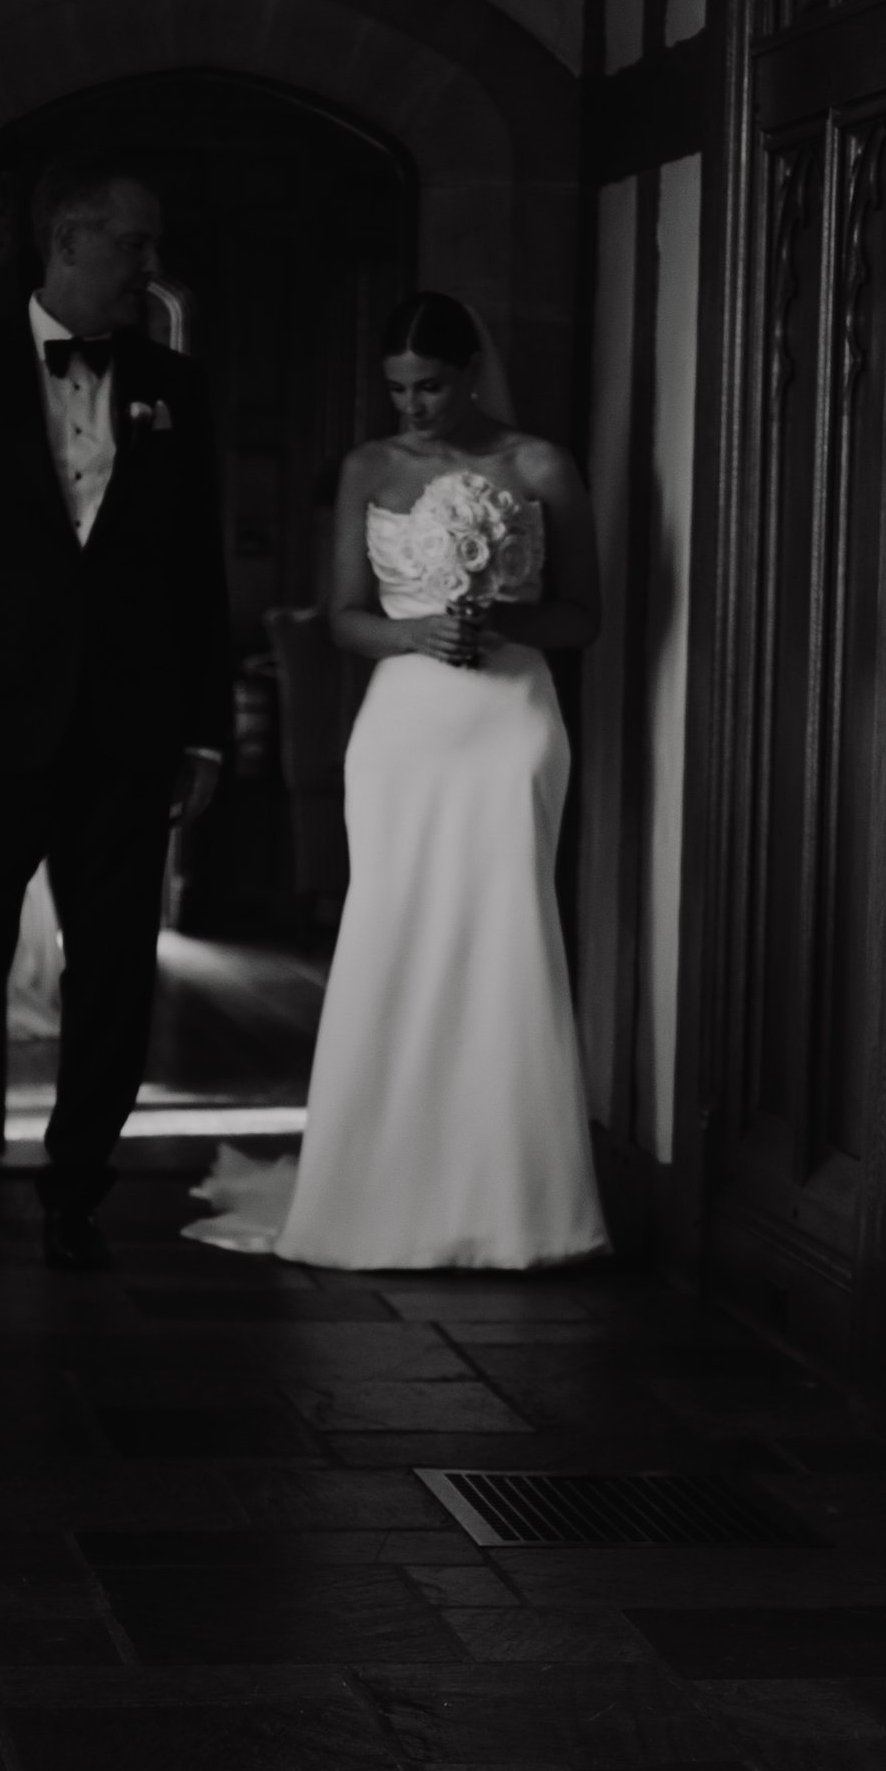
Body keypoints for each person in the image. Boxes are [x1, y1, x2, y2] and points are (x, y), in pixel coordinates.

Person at [187, 290, 609, 1270]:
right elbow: (341, 616)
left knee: (506, 936)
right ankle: (374, 1187)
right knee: (390, 936)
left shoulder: (540, 464)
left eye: (429, 387)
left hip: (508, 722)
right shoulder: (369, 468)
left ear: (470, 374)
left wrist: (500, 618)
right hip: (405, 728)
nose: (412, 406)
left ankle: (519, 1205)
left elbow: (584, 615)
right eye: (397, 388)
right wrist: (418, 629)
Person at [0, 163, 229, 1272]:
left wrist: (205, 729)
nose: (149, 268)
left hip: (129, 729)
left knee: (116, 961)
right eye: (134, 245)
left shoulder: (176, 384)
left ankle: (78, 1188)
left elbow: (197, 571)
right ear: (69, 243)